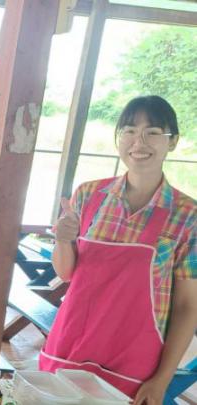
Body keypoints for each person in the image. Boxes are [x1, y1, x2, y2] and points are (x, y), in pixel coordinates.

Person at [40, 95, 196, 403]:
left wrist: (162, 380)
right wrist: (63, 239)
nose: (139, 141)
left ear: (173, 141)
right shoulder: (89, 195)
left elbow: (187, 306)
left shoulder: (187, 216)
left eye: (152, 132)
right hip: (69, 345)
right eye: (129, 131)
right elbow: (66, 272)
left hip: (134, 364)